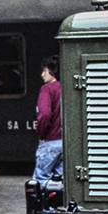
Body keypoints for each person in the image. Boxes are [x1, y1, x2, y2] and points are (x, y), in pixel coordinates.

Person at [34, 55, 63, 183]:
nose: (42, 75)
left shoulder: (47, 89)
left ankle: (45, 204)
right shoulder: (66, 87)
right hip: (66, 142)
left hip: (50, 141)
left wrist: (41, 133)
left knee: (41, 179)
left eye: (45, 71)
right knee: (59, 181)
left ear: (53, 71)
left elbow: (44, 115)